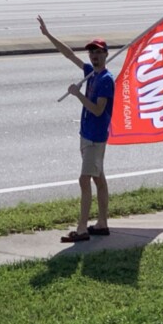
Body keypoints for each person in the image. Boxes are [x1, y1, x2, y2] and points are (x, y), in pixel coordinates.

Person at [37, 16, 114, 243]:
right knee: (98, 179)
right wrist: (48, 35)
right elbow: (69, 54)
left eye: (98, 52)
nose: (94, 55)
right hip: (86, 135)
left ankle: (82, 229)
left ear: (106, 54)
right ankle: (102, 223)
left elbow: (99, 110)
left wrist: (77, 94)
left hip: (96, 137)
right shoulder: (90, 72)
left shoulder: (106, 80)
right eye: (92, 52)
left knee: (84, 179)